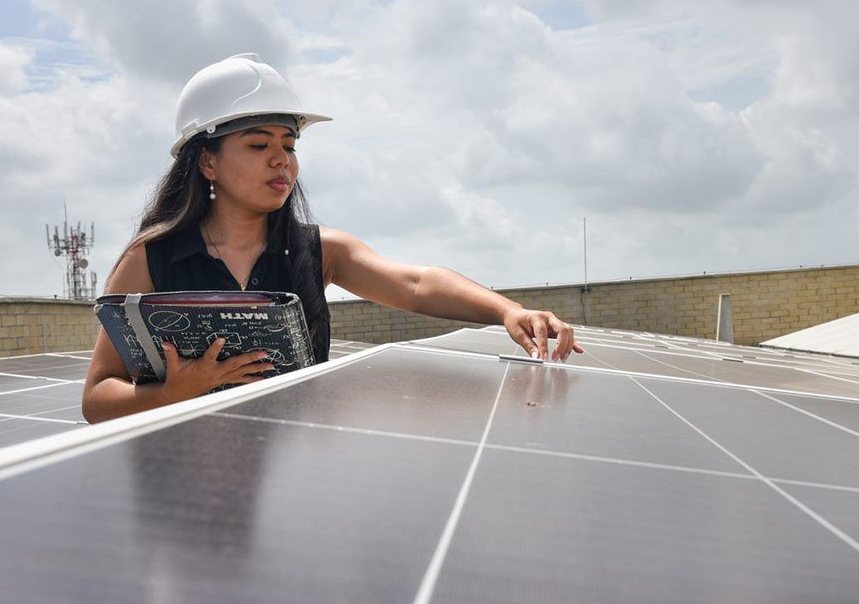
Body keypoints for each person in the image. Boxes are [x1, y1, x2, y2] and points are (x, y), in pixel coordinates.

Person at [82, 53, 582, 423]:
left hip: (296, 474)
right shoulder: (149, 257)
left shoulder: (320, 250)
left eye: (289, 145)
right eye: (258, 145)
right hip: (185, 476)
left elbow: (414, 283)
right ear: (207, 161)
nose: (282, 160)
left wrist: (507, 312)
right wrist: (176, 390)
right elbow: (97, 399)